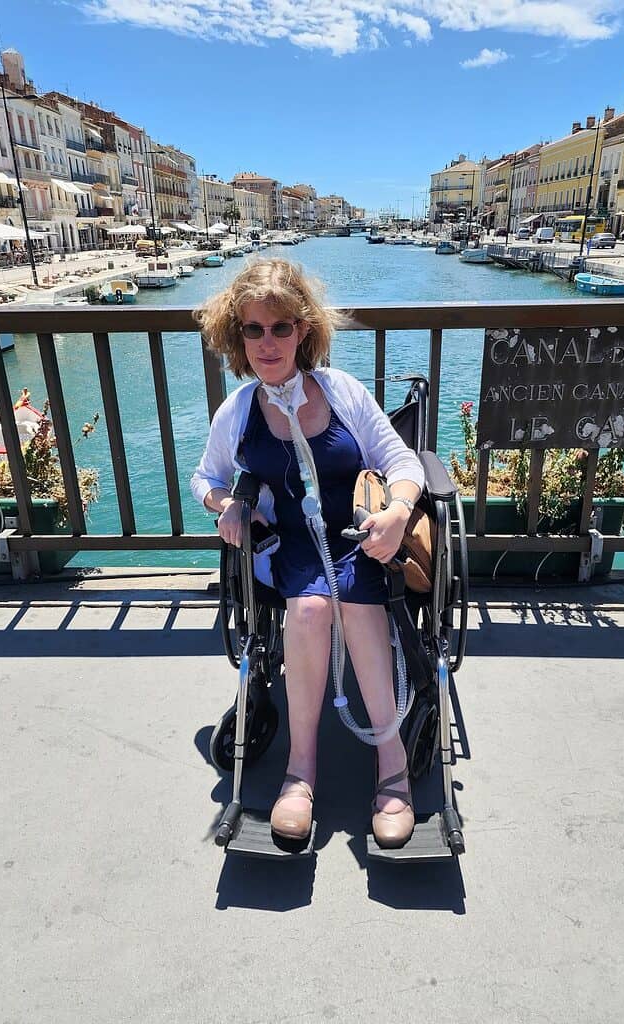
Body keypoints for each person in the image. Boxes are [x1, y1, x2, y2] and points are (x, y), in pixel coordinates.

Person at [191, 259, 424, 848]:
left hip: (358, 535)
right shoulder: (239, 410)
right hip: (290, 543)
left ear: (304, 330)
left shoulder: (342, 391)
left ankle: (391, 767)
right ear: (237, 336)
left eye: (281, 327)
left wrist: (397, 512)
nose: (268, 342)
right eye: (253, 329)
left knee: (357, 606)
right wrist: (228, 507)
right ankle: (301, 771)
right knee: (312, 609)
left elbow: (402, 460)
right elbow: (206, 478)